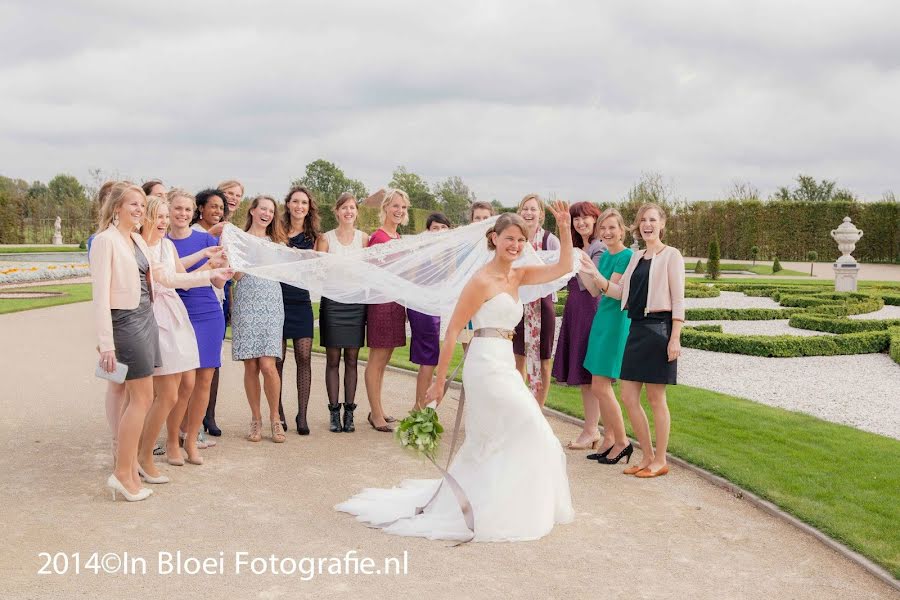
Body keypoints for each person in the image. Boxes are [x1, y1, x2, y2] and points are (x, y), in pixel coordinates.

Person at [336, 205, 575, 541]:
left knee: (498, 435)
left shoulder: (519, 276)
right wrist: (439, 381)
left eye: (521, 240)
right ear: (494, 238)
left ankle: (500, 502)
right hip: (484, 363)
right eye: (510, 238)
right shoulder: (480, 281)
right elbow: (452, 331)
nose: (516, 245)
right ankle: (487, 505)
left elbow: (564, 267)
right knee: (530, 424)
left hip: (505, 362)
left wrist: (564, 228)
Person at [584, 203, 685, 478]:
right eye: (643, 220)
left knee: (656, 398)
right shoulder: (636, 257)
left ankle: (660, 460)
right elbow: (619, 293)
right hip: (636, 329)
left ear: (662, 223)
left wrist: (674, 337)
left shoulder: (672, 256)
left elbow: (678, 300)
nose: (647, 224)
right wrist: (595, 276)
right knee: (628, 396)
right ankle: (646, 455)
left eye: (652, 220)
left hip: (659, 329)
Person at [138, 196, 231, 479]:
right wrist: (212, 270)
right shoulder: (140, 246)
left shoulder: (165, 245)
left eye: (169, 215)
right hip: (158, 314)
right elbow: (174, 280)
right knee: (165, 392)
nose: (166, 221)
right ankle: (143, 453)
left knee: (187, 382)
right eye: (162, 216)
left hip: (177, 314)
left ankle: (173, 443)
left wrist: (206, 258)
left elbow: (177, 269)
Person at [91, 182, 159, 502]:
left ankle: (129, 470)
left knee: (142, 397)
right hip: (125, 323)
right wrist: (106, 344)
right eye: (133, 204)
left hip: (146, 318)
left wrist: (207, 270)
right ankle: (121, 472)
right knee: (142, 398)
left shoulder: (136, 240)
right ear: (116, 206)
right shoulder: (105, 241)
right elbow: (100, 297)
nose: (139, 209)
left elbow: (161, 278)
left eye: (141, 204)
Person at [165, 190, 227, 465]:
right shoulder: (161, 243)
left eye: (187, 210)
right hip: (178, 314)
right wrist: (205, 268)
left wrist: (221, 270)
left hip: (208, 312)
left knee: (205, 379)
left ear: (194, 213)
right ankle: (171, 441)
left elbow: (217, 284)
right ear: (168, 211)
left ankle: (191, 440)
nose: (183, 214)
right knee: (181, 383)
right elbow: (175, 281)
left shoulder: (207, 239)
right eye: (178, 209)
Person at [579, 208, 634, 463]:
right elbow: (593, 290)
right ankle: (609, 438)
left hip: (615, 322)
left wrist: (592, 268)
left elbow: (615, 291)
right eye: (603, 228)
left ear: (622, 230)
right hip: (602, 320)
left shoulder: (626, 256)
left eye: (612, 227)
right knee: (600, 385)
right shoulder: (608, 256)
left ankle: (622, 441)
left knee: (601, 385)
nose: (607, 232)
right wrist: (579, 266)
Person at [231, 195, 287, 443]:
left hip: (271, 303)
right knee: (251, 366)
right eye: (262, 209)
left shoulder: (278, 243)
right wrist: (249, 253)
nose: (267, 214)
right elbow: (236, 276)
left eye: (271, 211)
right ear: (252, 211)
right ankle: (256, 419)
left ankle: (275, 418)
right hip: (246, 301)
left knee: (268, 365)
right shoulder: (238, 239)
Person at [551, 202, 605, 449]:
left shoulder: (598, 248)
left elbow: (592, 285)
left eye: (585, 218)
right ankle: (591, 429)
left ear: (595, 220)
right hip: (575, 310)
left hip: (591, 311)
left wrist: (578, 258)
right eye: (576, 219)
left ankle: (595, 430)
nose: (581, 222)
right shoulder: (579, 248)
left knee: (593, 377)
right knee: (586, 377)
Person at [315, 192, 368, 433]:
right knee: (333, 360)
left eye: (352, 208)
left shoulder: (365, 239)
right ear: (336, 211)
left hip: (356, 304)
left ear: (357, 212)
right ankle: (334, 413)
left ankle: (350, 414)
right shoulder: (325, 239)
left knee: (353, 360)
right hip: (333, 303)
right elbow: (318, 271)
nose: (348, 211)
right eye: (344, 207)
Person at [363, 188, 409, 432]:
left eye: (403, 207)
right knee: (376, 360)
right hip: (381, 303)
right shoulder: (378, 238)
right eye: (395, 206)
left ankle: (377, 409)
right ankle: (376, 414)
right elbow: (370, 273)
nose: (399, 211)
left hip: (396, 303)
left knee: (386, 359)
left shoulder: (399, 238)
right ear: (385, 208)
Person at [275, 186, 317, 435]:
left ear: (309, 207)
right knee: (277, 361)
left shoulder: (315, 237)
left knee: (304, 358)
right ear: (288, 204)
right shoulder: (276, 232)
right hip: (277, 300)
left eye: (304, 202)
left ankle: (302, 414)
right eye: (295, 201)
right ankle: (277, 412)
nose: (299, 206)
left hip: (301, 302)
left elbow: (318, 270)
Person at [512, 193, 560, 406]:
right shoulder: (515, 238)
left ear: (541, 214)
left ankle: (538, 409)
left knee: (543, 361)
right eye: (525, 208)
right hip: (516, 305)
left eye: (533, 209)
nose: (529, 213)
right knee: (517, 359)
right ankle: (520, 406)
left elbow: (561, 272)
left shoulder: (550, 240)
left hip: (542, 305)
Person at [190, 188, 229, 437]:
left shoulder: (222, 237)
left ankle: (206, 417)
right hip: (192, 302)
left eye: (221, 207)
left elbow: (222, 278)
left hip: (215, 300)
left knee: (211, 366)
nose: (217, 211)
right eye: (213, 206)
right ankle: (189, 424)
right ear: (201, 208)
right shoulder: (194, 234)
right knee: (191, 368)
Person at [407, 212, 451, 410]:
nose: (440, 231)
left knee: (436, 359)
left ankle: (423, 407)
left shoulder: (451, 253)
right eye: (435, 228)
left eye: (443, 228)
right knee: (429, 358)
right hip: (423, 309)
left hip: (440, 309)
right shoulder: (421, 252)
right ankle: (419, 409)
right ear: (428, 231)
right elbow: (410, 279)